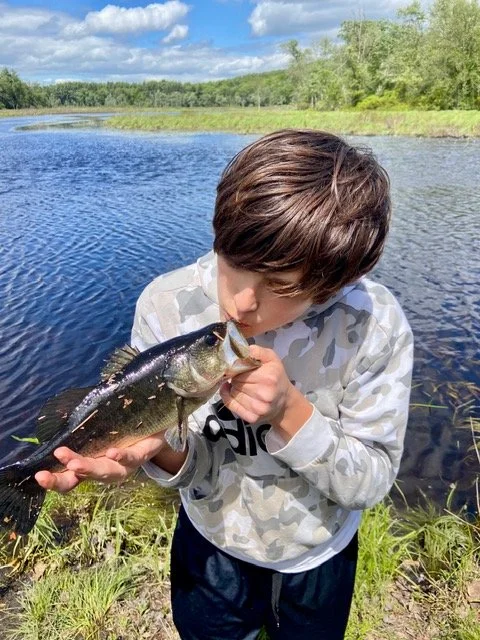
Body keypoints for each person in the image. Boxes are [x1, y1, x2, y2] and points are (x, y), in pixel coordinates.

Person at [35, 129, 414, 640]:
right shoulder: (166, 306)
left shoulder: (373, 325)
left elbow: (370, 480)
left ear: (331, 283)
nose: (240, 305)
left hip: (317, 554)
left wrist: (289, 414)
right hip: (210, 543)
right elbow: (186, 462)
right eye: (233, 266)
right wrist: (154, 454)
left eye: (280, 287)